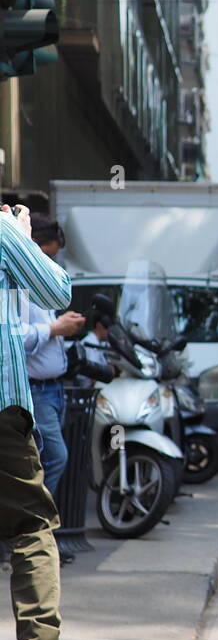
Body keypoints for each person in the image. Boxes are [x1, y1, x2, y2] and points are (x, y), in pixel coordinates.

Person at [0, 204, 93, 640]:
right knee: (32, 521)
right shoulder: (2, 230)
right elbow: (56, 289)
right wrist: (19, 235)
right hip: (2, 404)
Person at [21, 214, 85, 501]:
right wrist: (55, 328)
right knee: (54, 459)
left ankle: (43, 536)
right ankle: (37, 534)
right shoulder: (17, 284)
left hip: (54, 390)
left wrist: (60, 328)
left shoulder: (39, 285)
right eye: (47, 256)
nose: (51, 265)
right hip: (37, 392)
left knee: (50, 461)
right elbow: (16, 337)